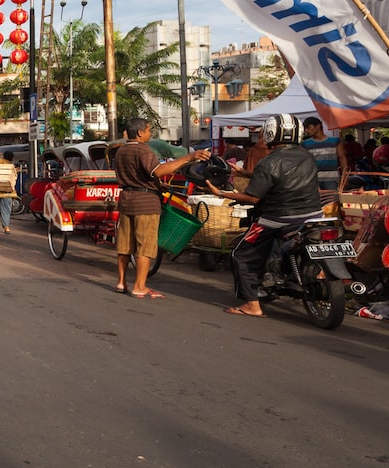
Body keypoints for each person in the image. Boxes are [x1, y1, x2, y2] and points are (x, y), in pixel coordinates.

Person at [205, 113, 326, 317]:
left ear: (270, 134)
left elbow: (253, 198)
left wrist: (220, 193)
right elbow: (283, 176)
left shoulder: (268, 162)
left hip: (278, 218)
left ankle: (252, 305)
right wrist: (246, 174)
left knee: (241, 255)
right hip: (314, 214)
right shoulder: (307, 156)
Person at [110, 118, 211, 299]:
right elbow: (158, 171)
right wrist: (188, 157)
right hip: (146, 204)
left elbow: (139, 177)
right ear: (140, 132)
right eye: (149, 130)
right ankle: (140, 286)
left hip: (126, 200)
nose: (150, 134)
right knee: (145, 246)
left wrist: (157, 186)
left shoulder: (121, 151)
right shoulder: (142, 150)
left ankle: (121, 282)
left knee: (125, 245)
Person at [301, 116, 340, 194]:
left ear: (318, 126)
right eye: (305, 128)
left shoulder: (335, 141)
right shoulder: (305, 144)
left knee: (331, 202)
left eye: (309, 127)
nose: (306, 130)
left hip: (331, 179)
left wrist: (345, 176)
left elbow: (342, 158)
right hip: (313, 180)